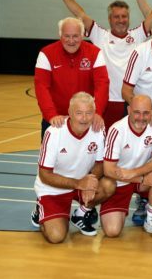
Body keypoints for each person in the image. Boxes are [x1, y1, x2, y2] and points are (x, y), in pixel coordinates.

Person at [51, 0, 152, 129]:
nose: (121, 20)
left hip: (133, 101)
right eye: (117, 17)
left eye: (124, 16)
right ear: (109, 19)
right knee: (107, 143)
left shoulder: (137, 35)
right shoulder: (100, 35)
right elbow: (80, 13)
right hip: (109, 101)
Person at [32, 92, 115, 243]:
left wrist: (90, 182)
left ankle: (81, 214)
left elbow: (100, 163)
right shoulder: (54, 133)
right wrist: (79, 184)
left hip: (80, 184)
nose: (84, 118)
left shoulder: (98, 130)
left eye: (89, 113)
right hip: (53, 188)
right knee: (56, 237)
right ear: (69, 113)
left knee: (108, 185)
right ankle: (40, 210)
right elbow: (45, 174)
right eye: (79, 113)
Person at [100, 95, 152, 239]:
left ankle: (151, 218)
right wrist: (140, 179)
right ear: (129, 110)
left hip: (140, 177)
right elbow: (108, 170)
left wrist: (134, 173)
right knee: (112, 231)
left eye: (146, 113)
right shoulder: (117, 130)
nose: (141, 117)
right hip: (120, 181)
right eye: (137, 112)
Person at [34, 17, 109, 136]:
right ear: (60, 35)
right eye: (67, 36)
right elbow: (41, 87)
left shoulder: (95, 53)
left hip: (86, 120)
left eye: (75, 36)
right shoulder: (46, 54)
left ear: (82, 35)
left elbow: (102, 85)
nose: (71, 41)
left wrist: (97, 112)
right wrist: (51, 115)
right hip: (56, 120)